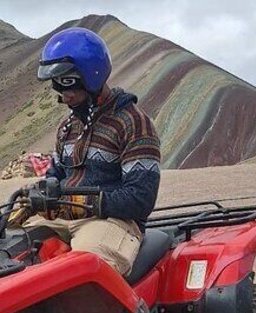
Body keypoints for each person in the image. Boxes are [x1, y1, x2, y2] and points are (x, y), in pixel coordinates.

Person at [18, 27, 161, 276]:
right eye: (57, 85)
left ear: (91, 74)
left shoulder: (133, 122)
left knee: (82, 274)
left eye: (68, 82)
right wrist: (42, 193)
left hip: (115, 223)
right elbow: (57, 175)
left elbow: (141, 198)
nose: (64, 94)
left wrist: (83, 203)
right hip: (65, 219)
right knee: (9, 250)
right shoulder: (67, 127)